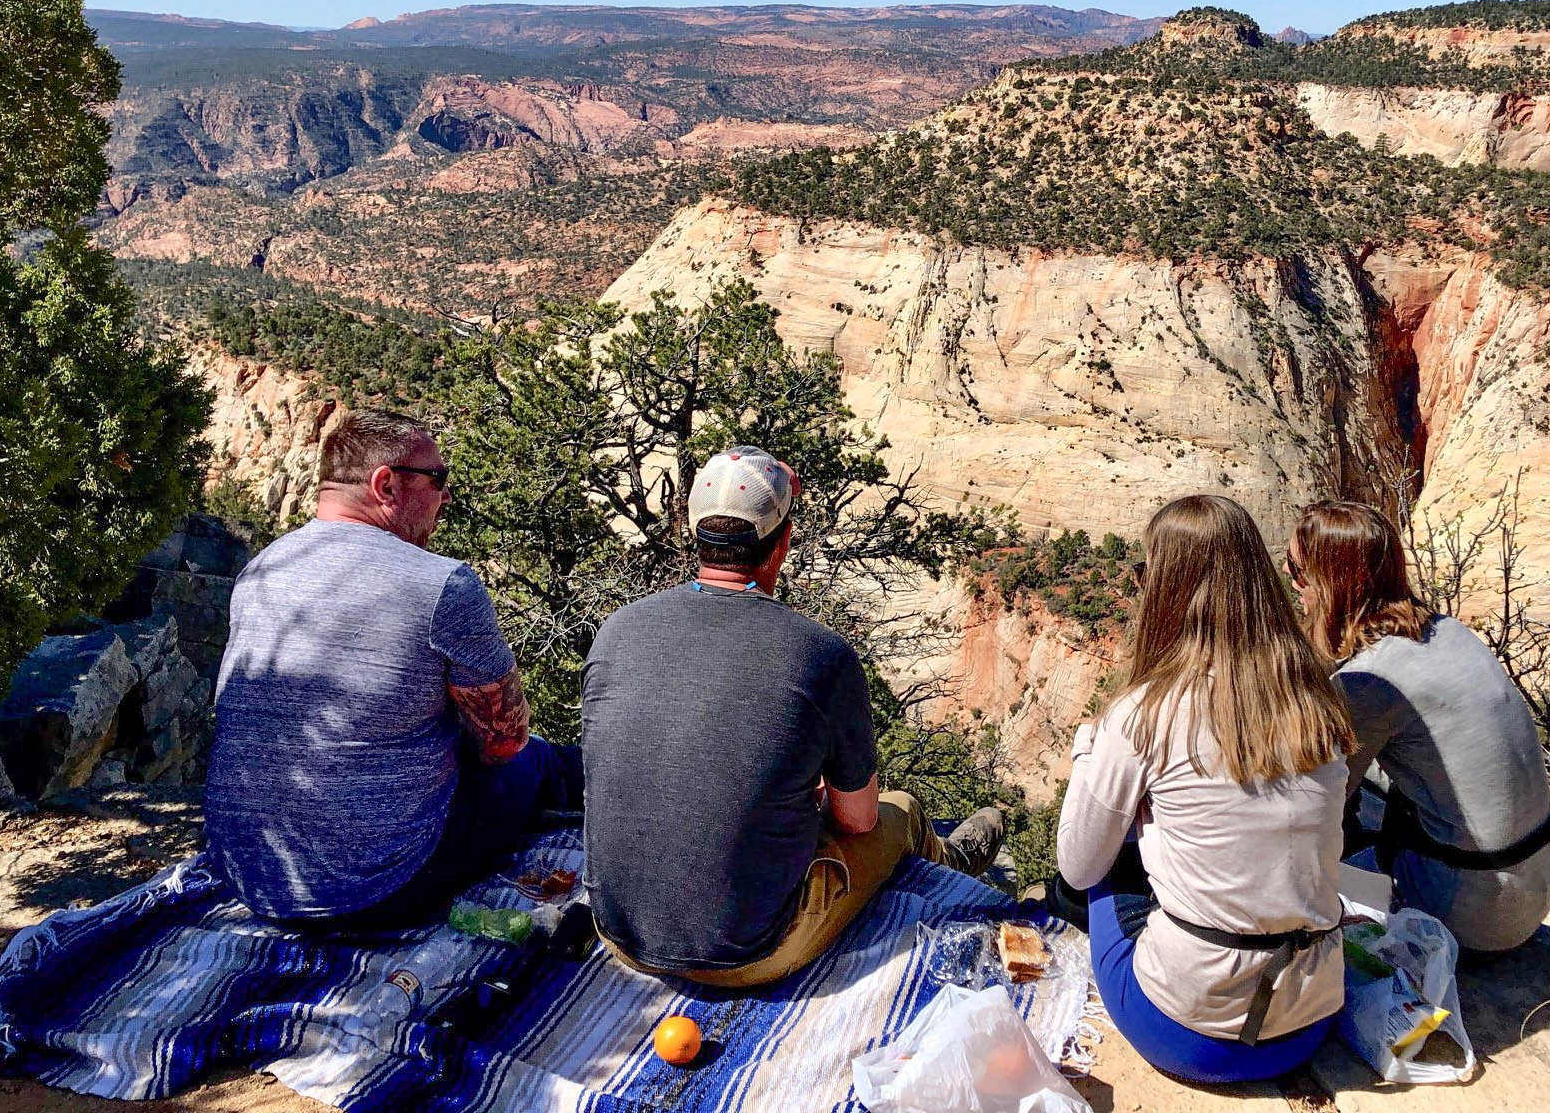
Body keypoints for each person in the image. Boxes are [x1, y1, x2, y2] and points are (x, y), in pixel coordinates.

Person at [581, 444, 1005, 987]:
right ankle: (951, 863)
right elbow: (858, 820)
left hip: (617, 931)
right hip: (747, 953)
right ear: (780, 546)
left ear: (694, 535)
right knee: (900, 813)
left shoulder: (618, 630)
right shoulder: (820, 654)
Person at [207, 409, 581, 925]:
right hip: (378, 890)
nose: (446, 496)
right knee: (541, 763)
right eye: (438, 480)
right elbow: (504, 743)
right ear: (386, 484)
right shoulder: (442, 583)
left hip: (251, 877)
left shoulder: (261, 568)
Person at [1057, 494, 1353, 1084]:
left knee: (1109, 864)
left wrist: (1089, 752)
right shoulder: (1318, 701)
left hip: (1188, 1035)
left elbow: (1077, 865)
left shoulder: (1146, 714)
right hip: (1308, 1021)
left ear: (1165, 587)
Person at [1290, 500, 1550, 952]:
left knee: (1324, 797)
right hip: (1532, 887)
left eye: (1298, 572)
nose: (1292, 581)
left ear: (1331, 584)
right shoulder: (1448, 630)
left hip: (1470, 913)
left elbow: (1315, 805)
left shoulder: (1369, 683)